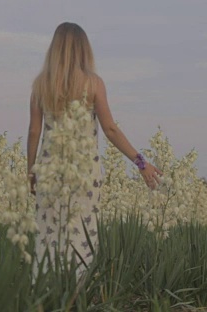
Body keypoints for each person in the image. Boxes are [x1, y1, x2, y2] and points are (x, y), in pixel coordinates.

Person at [27, 22, 162, 270]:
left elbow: (34, 131)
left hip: (48, 170)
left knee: (47, 235)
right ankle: (76, 295)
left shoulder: (40, 84)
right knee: (80, 233)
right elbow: (110, 129)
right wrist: (141, 163)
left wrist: (31, 172)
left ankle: (45, 294)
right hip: (84, 173)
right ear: (83, 49)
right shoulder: (93, 83)